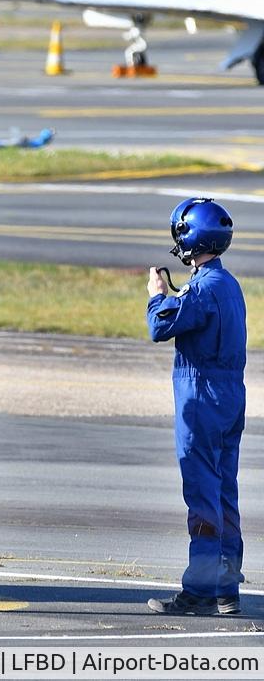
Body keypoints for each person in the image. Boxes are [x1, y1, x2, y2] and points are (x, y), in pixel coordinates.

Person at [146, 197, 246, 616]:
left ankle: (201, 587)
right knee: (224, 489)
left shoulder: (203, 289)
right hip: (229, 395)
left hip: (201, 396)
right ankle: (226, 586)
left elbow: (160, 326)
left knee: (203, 491)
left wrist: (157, 296)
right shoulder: (227, 284)